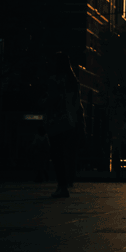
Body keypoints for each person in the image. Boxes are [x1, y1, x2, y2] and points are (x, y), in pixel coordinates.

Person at [43, 52, 84, 198]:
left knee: (57, 154)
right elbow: (76, 103)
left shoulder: (55, 80)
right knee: (67, 154)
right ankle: (66, 183)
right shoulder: (73, 80)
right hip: (70, 122)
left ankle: (61, 185)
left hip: (57, 122)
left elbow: (51, 102)